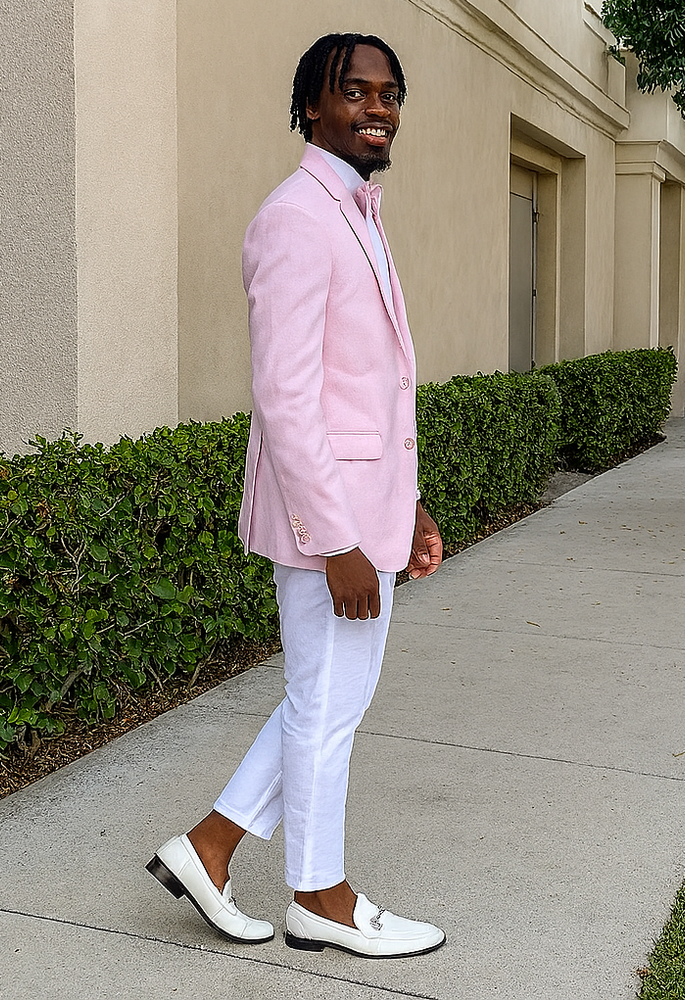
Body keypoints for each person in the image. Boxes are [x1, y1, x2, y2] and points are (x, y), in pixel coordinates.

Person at [146, 32, 446, 959]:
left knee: (328, 699)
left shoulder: (357, 211)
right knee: (325, 704)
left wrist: (409, 506)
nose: (376, 107)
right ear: (311, 105)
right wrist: (338, 540)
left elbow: (369, 390)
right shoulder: (295, 216)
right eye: (353, 91)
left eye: (388, 93)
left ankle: (210, 847)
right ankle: (318, 895)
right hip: (327, 526)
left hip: (365, 510)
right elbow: (285, 396)